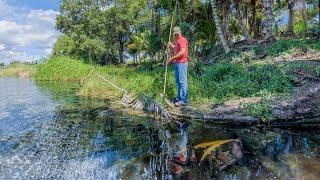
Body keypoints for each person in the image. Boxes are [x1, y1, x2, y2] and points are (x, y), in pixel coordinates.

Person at [166, 26, 189, 107]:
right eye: (175, 34)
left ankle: (184, 100)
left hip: (182, 63)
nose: (176, 35)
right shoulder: (177, 40)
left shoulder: (182, 40)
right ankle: (179, 97)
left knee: (182, 82)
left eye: (177, 34)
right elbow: (176, 48)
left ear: (180, 32)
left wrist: (172, 58)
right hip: (177, 63)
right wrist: (171, 45)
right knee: (178, 81)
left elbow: (182, 52)